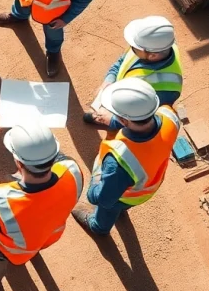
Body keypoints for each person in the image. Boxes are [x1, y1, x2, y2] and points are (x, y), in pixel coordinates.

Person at [0, 115, 83, 286]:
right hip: (46, 236)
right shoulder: (73, 170)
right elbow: (57, 157)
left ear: (18, 163)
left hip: (5, 248)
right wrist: (36, 137)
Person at [72, 78, 181, 235]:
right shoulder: (169, 115)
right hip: (151, 183)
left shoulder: (119, 160)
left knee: (108, 209)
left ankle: (98, 228)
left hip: (125, 196)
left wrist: (95, 181)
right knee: (122, 203)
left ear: (123, 120)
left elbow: (102, 199)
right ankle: (122, 210)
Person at [85, 16, 183, 125]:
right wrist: (108, 80)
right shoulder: (149, 47)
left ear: (153, 56)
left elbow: (142, 121)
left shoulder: (167, 91)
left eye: (134, 47)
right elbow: (122, 61)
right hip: (122, 95)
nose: (131, 47)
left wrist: (110, 119)